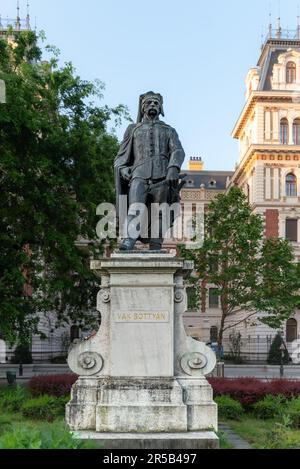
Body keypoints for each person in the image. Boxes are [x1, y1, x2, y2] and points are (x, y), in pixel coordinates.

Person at [115, 91, 185, 251]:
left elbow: (178, 150)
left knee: (160, 212)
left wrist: (173, 168)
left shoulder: (169, 130)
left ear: (161, 108)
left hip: (162, 177)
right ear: (142, 108)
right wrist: (124, 168)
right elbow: (121, 156)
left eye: (156, 103)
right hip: (138, 175)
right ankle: (129, 240)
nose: (152, 105)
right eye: (149, 103)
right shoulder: (133, 129)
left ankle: (156, 244)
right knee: (135, 208)